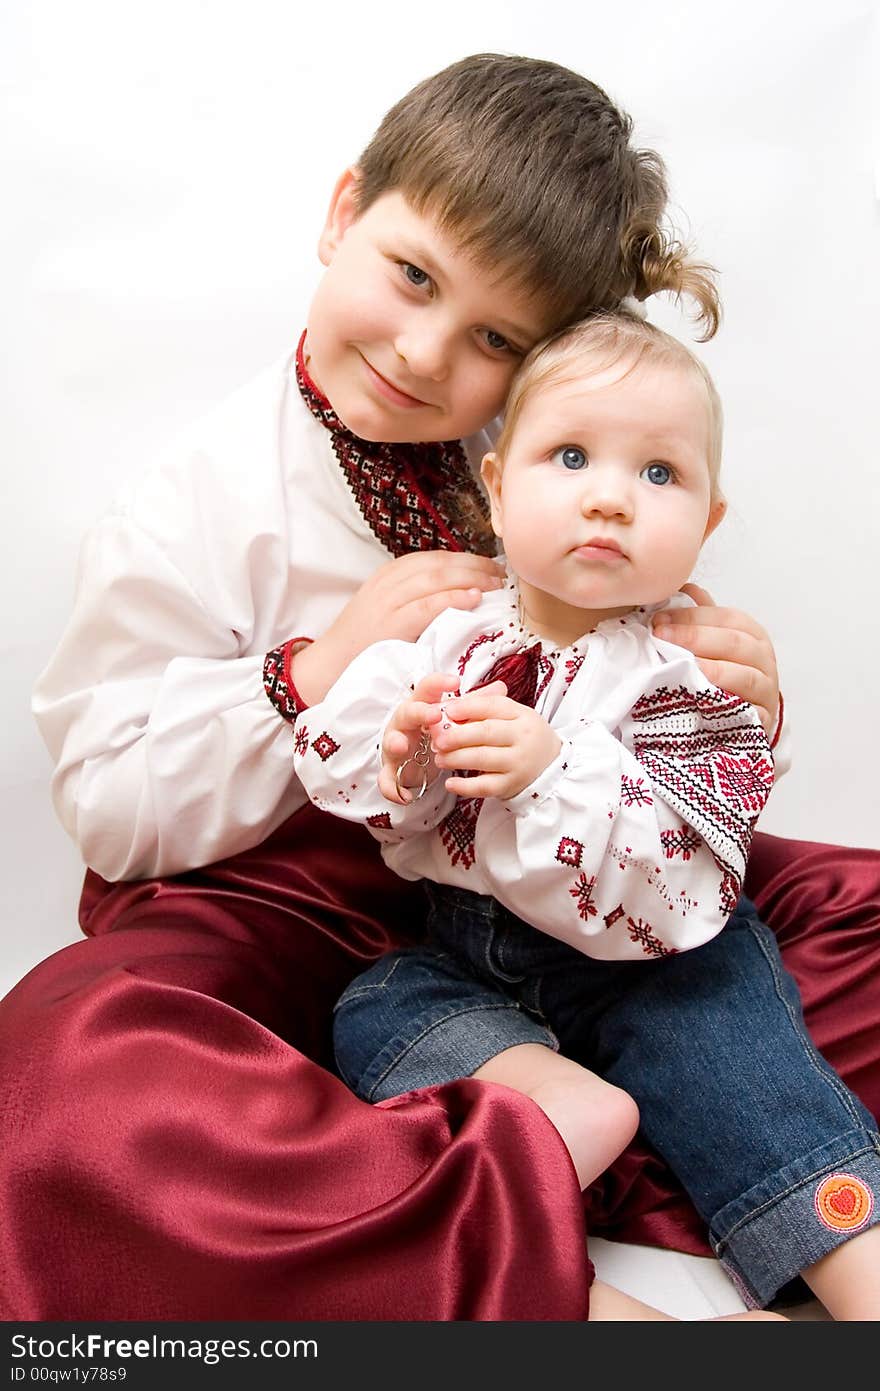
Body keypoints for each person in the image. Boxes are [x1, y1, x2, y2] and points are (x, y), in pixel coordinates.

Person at [3, 52, 875, 1321]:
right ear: (345, 209)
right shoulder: (193, 500)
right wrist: (307, 672)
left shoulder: (544, 443)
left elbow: (643, 662)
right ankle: (556, 1286)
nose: (421, 352)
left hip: (561, 881)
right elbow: (105, 808)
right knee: (64, 1089)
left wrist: (731, 697)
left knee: (836, 919)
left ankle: (701, 1160)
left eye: (492, 339)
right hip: (286, 908)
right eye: (411, 275)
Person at [293, 311, 880, 1317]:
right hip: (469, 951)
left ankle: (854, 1269)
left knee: (730, 1043)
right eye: (569, 456)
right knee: (379, 1009)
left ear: (707, 519)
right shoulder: (448, 640)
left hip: (653, 962)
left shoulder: (692, 679)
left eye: (659, 474)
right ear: (496, 485)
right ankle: (560, 1137)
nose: (610, 495)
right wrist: (398, 755)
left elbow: (686, 874)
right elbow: (339, 764)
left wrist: (552, 771)